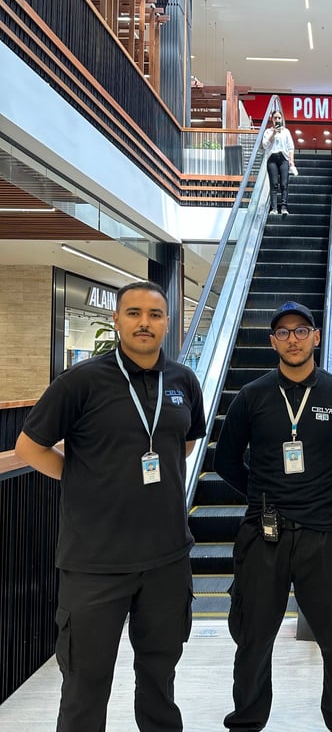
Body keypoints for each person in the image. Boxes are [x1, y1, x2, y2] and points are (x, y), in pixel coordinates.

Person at [14, 280, 206, 732]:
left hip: (167, 559)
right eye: (135, 313)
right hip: (95, 563)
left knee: (160, 680)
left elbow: (185, 442)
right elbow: (28, 447)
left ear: (167, 323)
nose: (145, 323)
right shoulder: (80, 382)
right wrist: (82, 478)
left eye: (155, 315)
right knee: (85, 684)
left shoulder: (183, 381)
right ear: (116, 320)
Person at [214, 300, 332, 732]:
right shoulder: (252, 397)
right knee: (252, 639)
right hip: (264, 534)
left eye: (301, 331)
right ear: (273, 342)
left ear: (316, 337)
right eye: (283, 332)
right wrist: (262, 494)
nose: (293, 339)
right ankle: (246, 722)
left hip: (326, 534)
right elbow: (226, 461)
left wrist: (327, 487)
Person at [262, 109, 297, 215]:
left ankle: (284, 207)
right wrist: (273, 133)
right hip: (272, 158)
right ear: (272, 119)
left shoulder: (286, 132)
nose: (277, 120)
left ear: (282, 119)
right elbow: (265, 145)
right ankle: (273, 208)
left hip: (283, 158)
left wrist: (291, 161)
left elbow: (290, 147)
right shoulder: (268, 132)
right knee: (273, 184)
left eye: (279, 118)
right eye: (275, 118)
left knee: (284, 184)